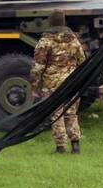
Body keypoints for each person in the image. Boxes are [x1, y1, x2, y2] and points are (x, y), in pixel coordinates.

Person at [29, 9, 87, 153]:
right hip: (72, 83)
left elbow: (38, 67)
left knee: (56, 115)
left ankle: (60, 147)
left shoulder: (45, 41)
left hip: (52, 85)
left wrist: (34, 87)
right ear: (63, 22)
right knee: (71, 113)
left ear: (50, 22)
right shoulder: (74, 40)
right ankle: (75, 145)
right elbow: (82, 60)